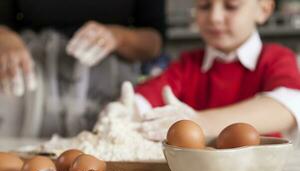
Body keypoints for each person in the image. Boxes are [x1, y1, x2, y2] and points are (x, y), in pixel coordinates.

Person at [125, 0, 300, 144]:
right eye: (204, 6)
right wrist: (125, 110)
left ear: (264, 9)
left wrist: (200, 122)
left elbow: (288, 106)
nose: (214, 17)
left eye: (231, 6)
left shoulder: (276, 59)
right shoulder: (188, 64)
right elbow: (146, 97)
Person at [0, 0, 165, 137]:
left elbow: (155, 41)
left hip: (107, 90)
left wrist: (118, 37)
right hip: (29, 89)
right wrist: (5, 37)